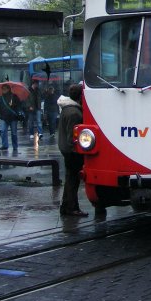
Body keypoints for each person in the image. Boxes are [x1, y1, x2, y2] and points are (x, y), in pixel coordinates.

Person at [58, 84, 87, 217]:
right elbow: (72, 136)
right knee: (73, 180)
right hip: (72, 151)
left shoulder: (66, 109)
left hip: (65, 148)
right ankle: (72, 207)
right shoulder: (75, 113)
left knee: (70, 178)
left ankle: (66, 206)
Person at [0, 84, 23, 154]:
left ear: (8, 89)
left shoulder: (14, 97)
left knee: (14, 133)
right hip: (4, 117)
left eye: (5, 89)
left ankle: (15, 146)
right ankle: (5, 145)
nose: (3, 90)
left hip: (13, 118)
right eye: (3, 89)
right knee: (3, 131)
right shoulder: (0, 98)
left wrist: (17, 110)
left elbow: (19, 106)